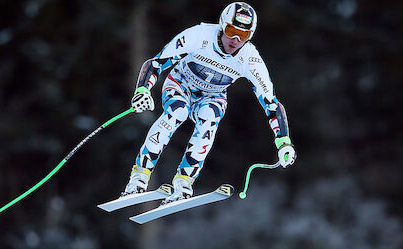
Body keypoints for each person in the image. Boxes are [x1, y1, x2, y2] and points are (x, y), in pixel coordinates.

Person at [123, 2, 296, 204]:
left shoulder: (251, 59)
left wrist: (284, 142)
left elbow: (272, 104)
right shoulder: (199, 35)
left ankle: (184, 183)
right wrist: (143, 89)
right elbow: (156, 63)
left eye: (244, 35)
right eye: (231, 31)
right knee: (176, 113)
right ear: (222, 25)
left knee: (209, 119)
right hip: (181, 84)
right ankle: (139, 178)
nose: (235, 40)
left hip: (213, 95)